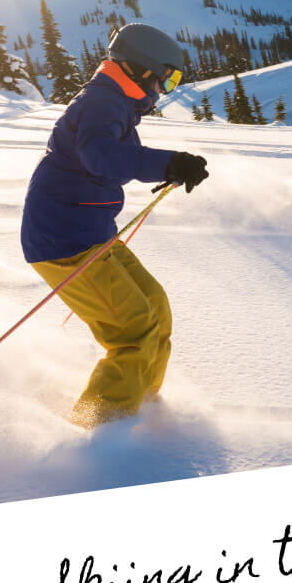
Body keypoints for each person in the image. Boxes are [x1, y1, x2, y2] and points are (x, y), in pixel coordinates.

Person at [21, 23, 209, 428]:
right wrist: (169, 162)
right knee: (133, 330)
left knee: (153, 304)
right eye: (168, 77)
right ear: (142, 68)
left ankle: (139, 399)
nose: (165, 88)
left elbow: (111, 159)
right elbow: (102, 157)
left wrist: (168, 167)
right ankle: (103, 427)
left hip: (88, 232)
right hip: (64, 239)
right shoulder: (102, 104)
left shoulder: (115, 103)